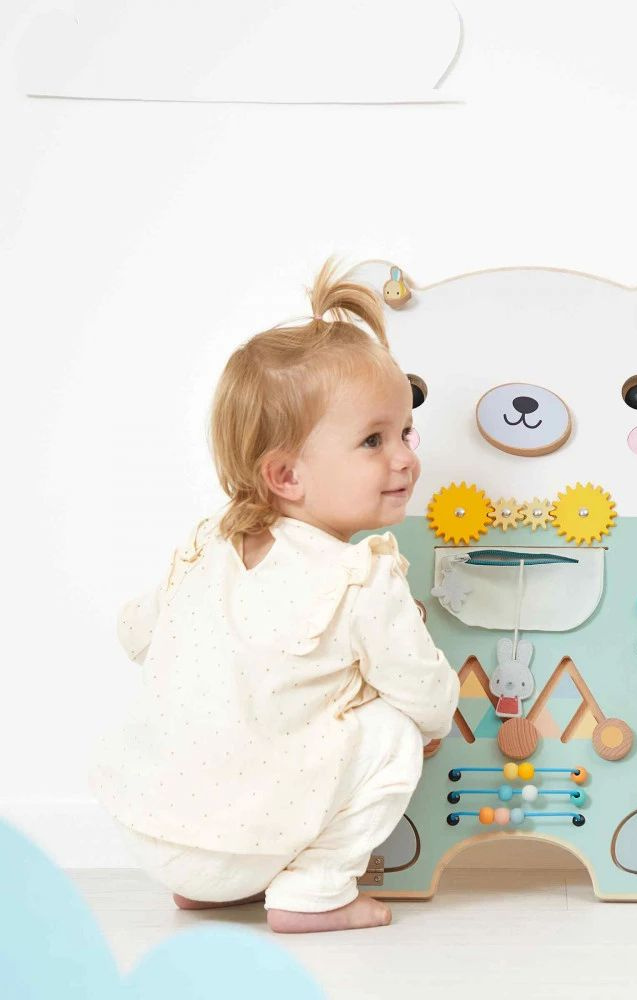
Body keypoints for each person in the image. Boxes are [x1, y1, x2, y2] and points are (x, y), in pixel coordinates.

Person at [91, 258, 459, 932]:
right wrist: (428, 724)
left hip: (152, 827)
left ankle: (209, 888)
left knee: (245, 707)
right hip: (245, 843)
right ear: (287, 475)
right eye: (373, 440)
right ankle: (315, 891)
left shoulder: (205, 545)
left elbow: (135, 634)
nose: (405, 456)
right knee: (395, 729)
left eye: (406, 432)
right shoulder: (361, 575)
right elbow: (428, 694)